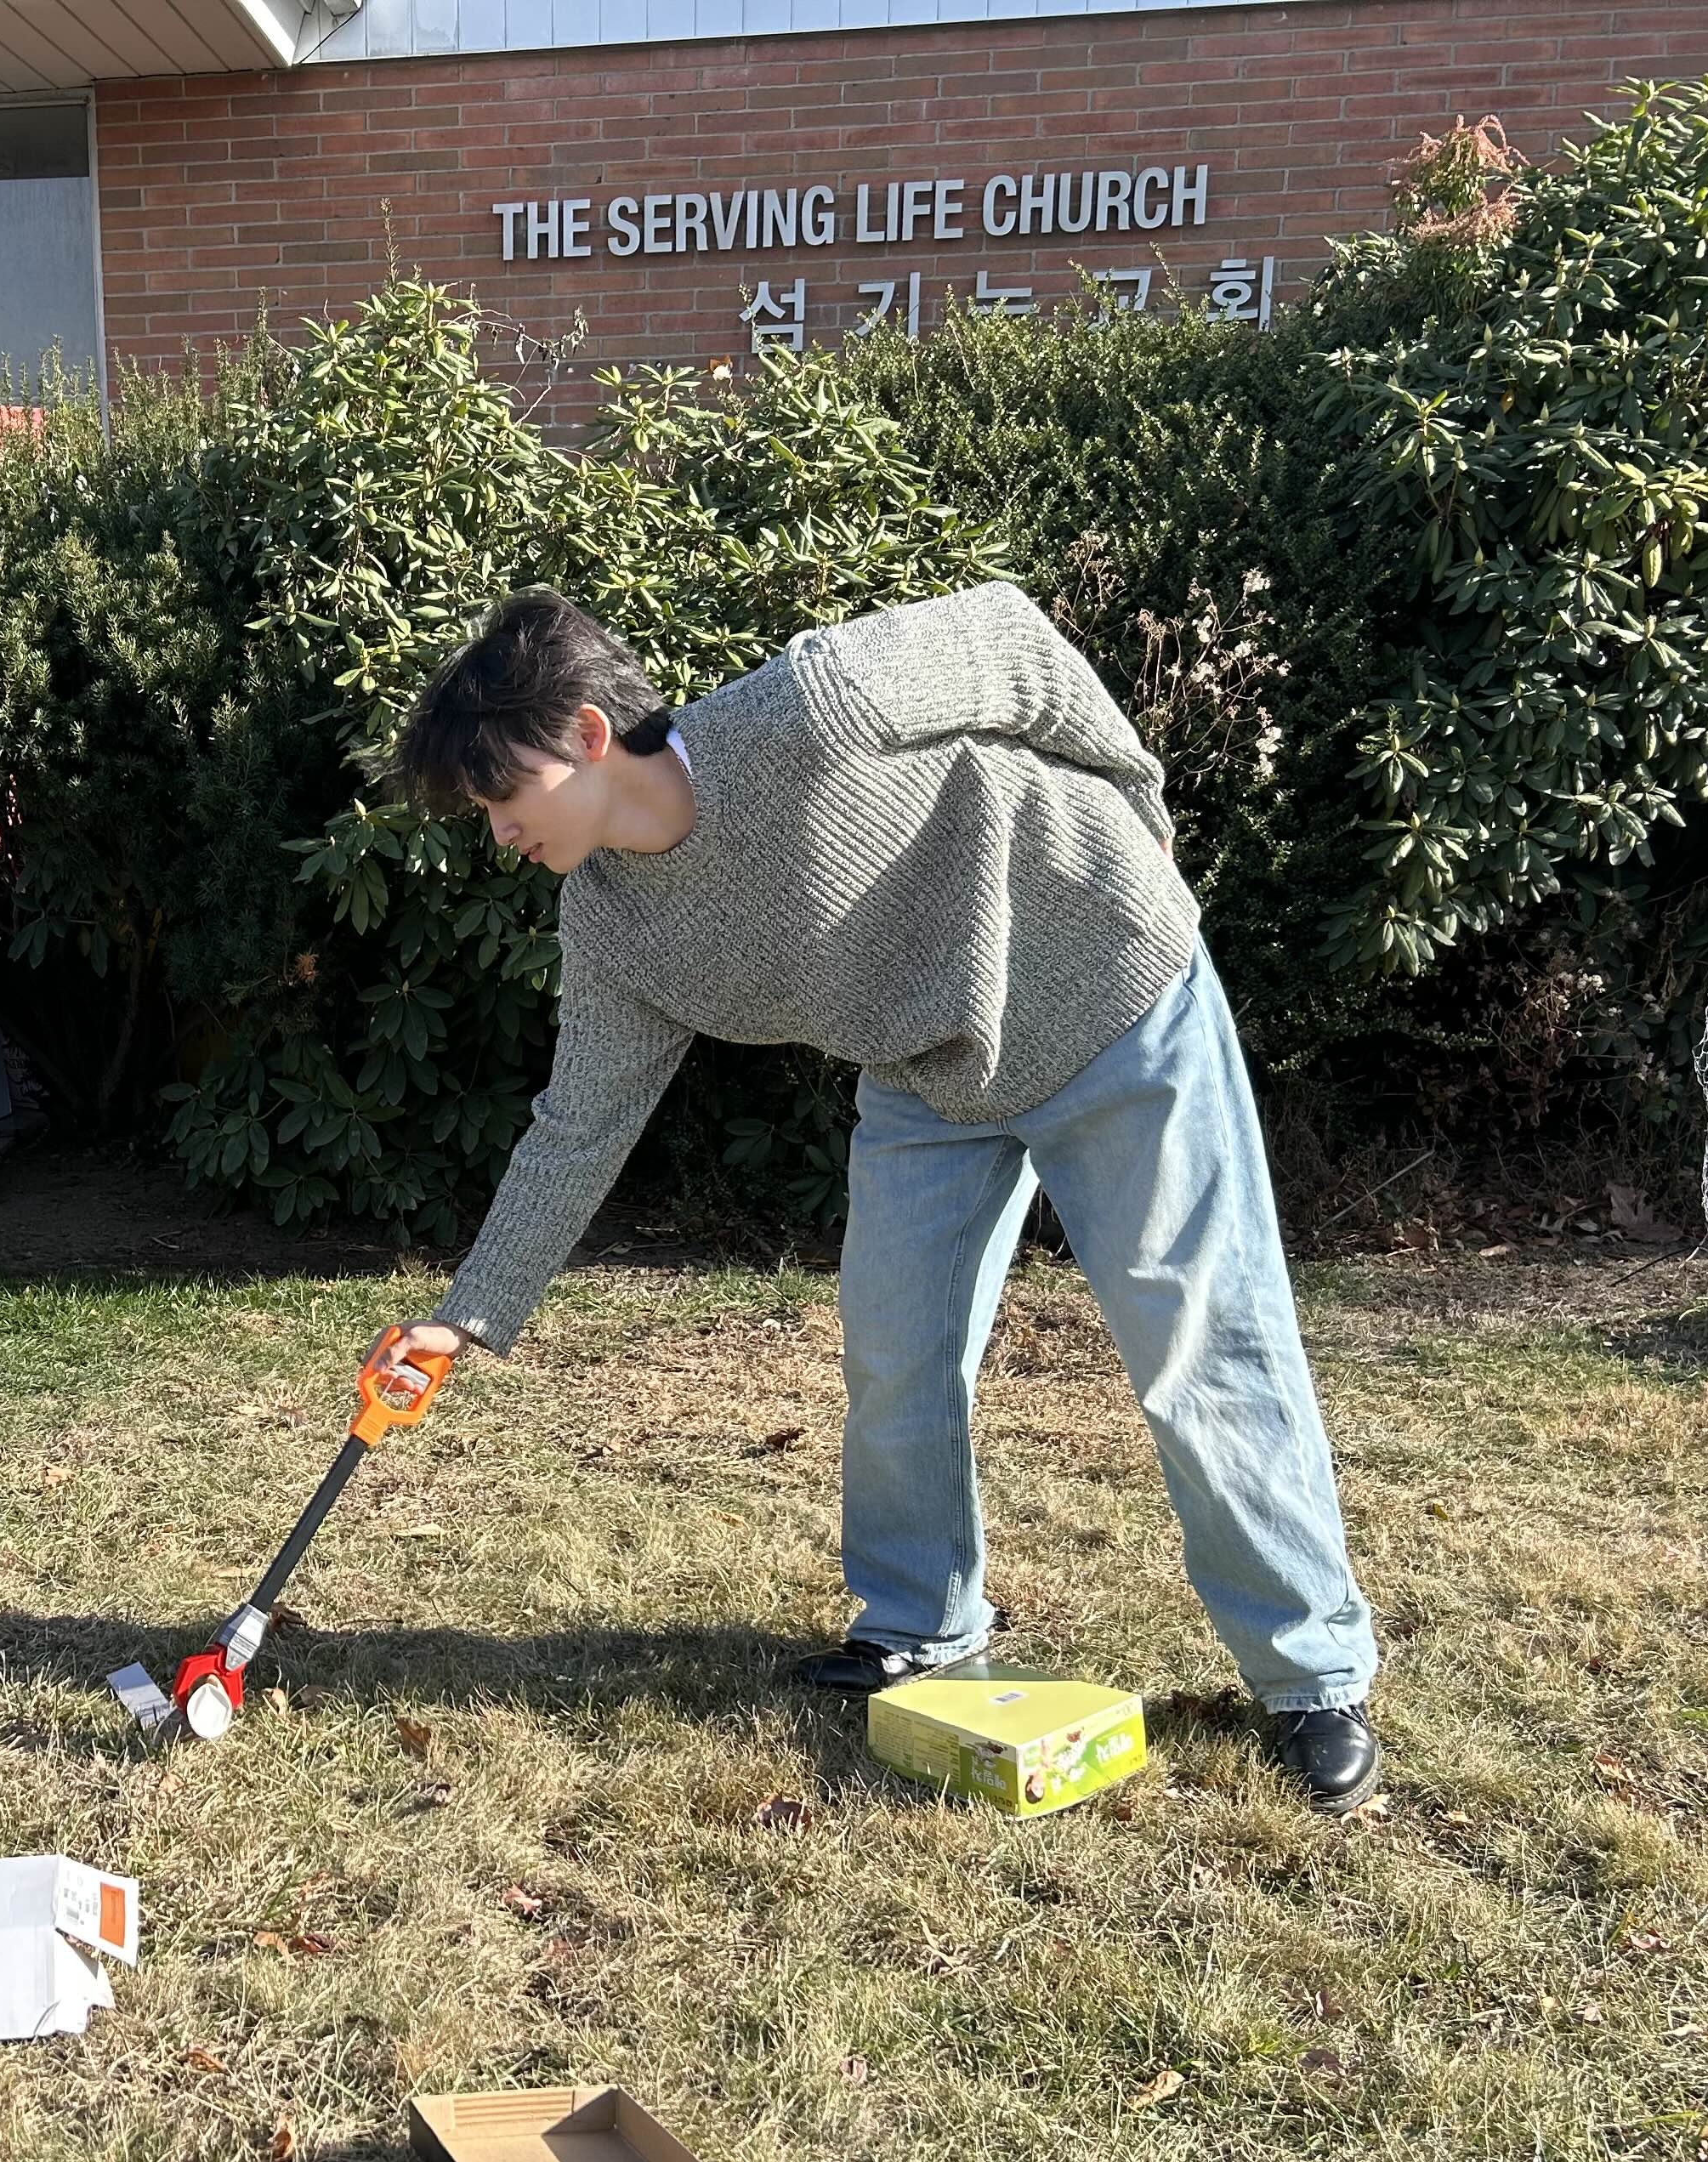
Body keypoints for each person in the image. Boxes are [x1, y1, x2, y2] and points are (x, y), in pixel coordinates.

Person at [383, 585, 1382, 1812]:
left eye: (502, 799)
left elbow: (1015, 640)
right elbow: (579, 1121)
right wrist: (470, 1311)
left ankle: (1311, 1676)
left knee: (1197, 1347)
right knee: (897, 1349)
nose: (496, 836)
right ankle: (924, 1620)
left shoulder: (815, 705)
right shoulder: (613, 922)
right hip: (931, 1070)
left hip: (1109, 991)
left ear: (589, 737)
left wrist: (1136, 796)